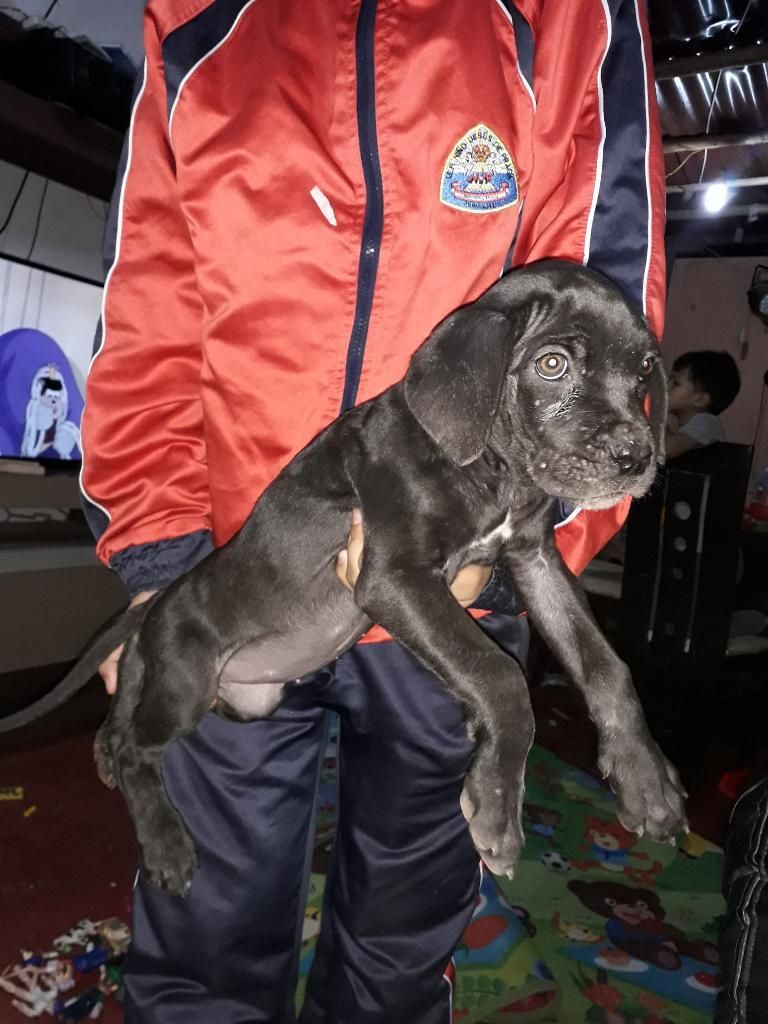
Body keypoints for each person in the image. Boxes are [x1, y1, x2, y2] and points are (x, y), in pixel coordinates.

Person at [80, 2, 666, 1021]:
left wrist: (528, 524)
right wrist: (159, 562)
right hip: (244, 568)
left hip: (459, 577)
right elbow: (152, 307)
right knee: (203, 950)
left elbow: (608, 270)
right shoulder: (196, 20)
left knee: (398, 955)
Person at [666, 350, 741, 460]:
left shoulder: (706, 422)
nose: (666, 387)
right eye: (669, 380)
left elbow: (667, 449)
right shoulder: (692, 427)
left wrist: (656, 412)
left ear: (700, 399)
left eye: (676, 383)